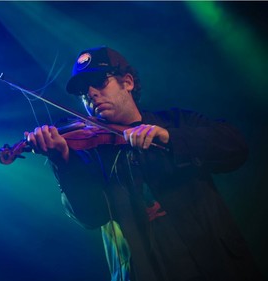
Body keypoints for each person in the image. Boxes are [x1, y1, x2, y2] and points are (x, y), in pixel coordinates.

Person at [24, 46, 263, 281]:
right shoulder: (89, 155)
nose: (91, 94)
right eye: (83, 92)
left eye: (99, 82)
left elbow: (237, 148)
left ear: (127, 82)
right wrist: (63, 162)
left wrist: (170, 138)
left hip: (218, 266)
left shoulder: (176, 122)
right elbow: (91, 217)